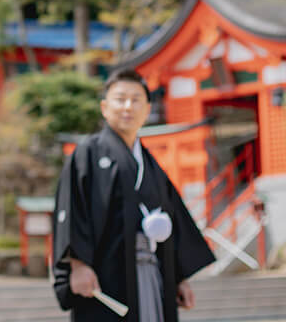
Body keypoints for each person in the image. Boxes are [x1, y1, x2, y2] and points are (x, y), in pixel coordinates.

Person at [52, 67, 214, 322]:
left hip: (152, 270)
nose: (128, 106)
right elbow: (73, 210)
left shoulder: (151, 166)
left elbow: (172, 221)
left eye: (136, 99)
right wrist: (78, 265)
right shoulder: (88, 154)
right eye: (120, 99)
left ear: (148, 109)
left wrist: (178, 277)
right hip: (105, 273)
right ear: (105, 107)